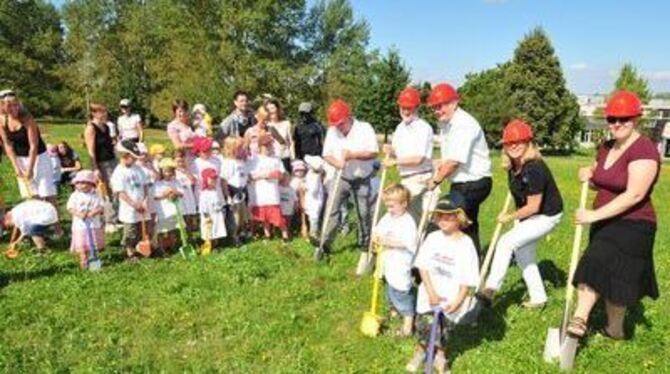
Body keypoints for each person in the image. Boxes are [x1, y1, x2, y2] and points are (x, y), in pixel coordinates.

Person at [567, 91, 661, 340]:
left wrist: (593, 215)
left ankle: (592, 322)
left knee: (602, 269)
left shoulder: (645, 149)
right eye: (612, 119)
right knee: (608, 275)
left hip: (635, 223)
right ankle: (600, 325)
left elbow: (634, 194)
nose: (617, 124)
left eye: (624, 119)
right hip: (604, 220)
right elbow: (604, 181)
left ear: (636, 119)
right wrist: (588, 174)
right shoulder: (606, 147)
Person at [476, 120, 563, 309]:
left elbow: (533, 207)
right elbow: (520, 194)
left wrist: (509, 217)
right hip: (530, 216)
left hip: (546, 216)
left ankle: (490, 289)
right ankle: (539, 298)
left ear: (528, 143)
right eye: (509, 143)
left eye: (519, 141)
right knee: (524, 254)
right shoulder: (514, 167)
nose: (514, 146)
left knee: (505, 243)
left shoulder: (534, 168)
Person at [406, 192, 479, 373]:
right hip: (429, 295)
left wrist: (459, 300)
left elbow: (467, 279)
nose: (443, 220)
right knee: (424, 327)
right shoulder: (432, 238)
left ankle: (440, 356)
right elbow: (423, 267)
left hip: (450, 298)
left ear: (460, 218)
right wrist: (431, 293)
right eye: (440, 216)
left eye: (449, 216)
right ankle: (421, 351)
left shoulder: (467, 244)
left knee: (445, 331)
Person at [427, 82, 492, 253]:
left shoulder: (463, 124)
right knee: (468, 224)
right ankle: (473, 267)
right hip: (462, 181)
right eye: (434, 107)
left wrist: (434, 181)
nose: (437, 110)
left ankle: (422, 271)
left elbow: (454, 162)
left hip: (475, 182)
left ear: (454, 103)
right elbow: (450, 158)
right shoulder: (448, 124)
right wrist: (439, 163)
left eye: (440, 106)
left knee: (443, 217)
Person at [319, 99, 379, 267]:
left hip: (362, 178)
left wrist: (353, 155)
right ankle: (324, 245)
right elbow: (326, 154)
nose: (338, 127)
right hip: (342, 176)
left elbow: (374, 152)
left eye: (341, 123)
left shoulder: (365, 128)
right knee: (332, 209)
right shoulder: (332, 131)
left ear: (349, 116)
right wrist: (336, 163)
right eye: (335, 124)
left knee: (364, 213)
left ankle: (365, 247)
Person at [371, 184, 417, 337]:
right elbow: (378, 230)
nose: (389, 209)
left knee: (401, 291)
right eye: (387, 206)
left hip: (400, 263)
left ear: (404, 204)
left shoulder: (407, 222)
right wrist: (376, 237)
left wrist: (388, 242)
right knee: (390, 288)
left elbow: (408, 242)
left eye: (392, 206)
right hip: (387, 261)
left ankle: (408, 325)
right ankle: (394, 313)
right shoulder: (387, 217)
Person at [383, 87, 434, 222]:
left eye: (409, 108)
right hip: (406, 179)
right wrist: (391, 151)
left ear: (417, 108)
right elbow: (399, 154)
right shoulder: (400, 128)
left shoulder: (423, 128)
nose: (405, 111)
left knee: (404, 214)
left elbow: (418, 158)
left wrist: (394, 162)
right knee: (409, 219)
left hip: (421, 179)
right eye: (403, 108)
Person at [0, 90, 58, 201]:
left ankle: (54, 217)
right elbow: (7, 145)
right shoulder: (2, 121)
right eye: (9, 106)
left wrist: (30, 168)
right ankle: (37, 217)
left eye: (15, 105)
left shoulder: (27, 118)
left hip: (38, 157)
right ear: (2, 107)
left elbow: (34, 145)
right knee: (31, 194)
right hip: (20, 158)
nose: (14, 109)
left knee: (46, 192)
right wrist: (16, 167)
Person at [110, 140, 151, 261]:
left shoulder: (138, 169)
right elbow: (120, 192)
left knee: (141, 228)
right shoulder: (118, 173)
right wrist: (133, 204)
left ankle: (140, 249)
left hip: (142, 205)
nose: (135, 160)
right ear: (124, 156)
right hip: (129, 208)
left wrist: (145, 200)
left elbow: (145, 185)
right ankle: (130, 253)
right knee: (130, 230)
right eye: (133, 157)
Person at [247, 138, 288, 241]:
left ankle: (285, 236)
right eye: (266, 146)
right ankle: (267, 234)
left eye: (270, 145)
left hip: (273, 192)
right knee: (264, 216)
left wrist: (278, 175)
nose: (268, 148)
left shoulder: (276, 159)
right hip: (260, 192)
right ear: (260, 147)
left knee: (277, 216)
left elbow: (283, 175)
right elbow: (250, 176)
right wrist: (266, 175)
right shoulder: (254, 159)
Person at [84, 103, 118, 226]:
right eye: (101, 112)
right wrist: (95, 168)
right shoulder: (91, 128)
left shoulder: (106, 127)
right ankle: (109, 220)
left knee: (116, 189)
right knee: (106, 191)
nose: (105, 114)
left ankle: (115, 215)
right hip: (101, 163)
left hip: (112, 160)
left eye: (105, 111)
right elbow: (90, 150)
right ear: (94, 113)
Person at [66, 170, 105, 269]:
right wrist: (79, 214)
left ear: (91, 184)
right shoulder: (75, 195)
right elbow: (70, 208)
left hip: (93, 224)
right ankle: (83, 258)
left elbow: (101, 206)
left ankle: (93, 257)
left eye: (84, 183)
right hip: (80, 225)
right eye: (78, 183)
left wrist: (94, 212)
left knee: (92, 243)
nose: (81, 185)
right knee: (82, 244)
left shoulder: (96, 194)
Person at [219, 137, 249, 244]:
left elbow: (245, 176)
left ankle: (241, 233)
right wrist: (228, 195)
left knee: (243, 215)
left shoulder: (241, 161)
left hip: (243, 191)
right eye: (240, 148)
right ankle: (233, 236)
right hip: (233, 191)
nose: (242, 150)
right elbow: (224, 180)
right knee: (235, 216)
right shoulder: (228, 163)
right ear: (232, 149)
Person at [154, 158, 183, 255]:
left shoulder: (176, 182)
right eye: (166, 171)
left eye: (170, 171)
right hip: (163, 211)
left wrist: (174, 191)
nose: (168, 173)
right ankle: (161, 248)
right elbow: (156, 197)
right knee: (162, 230)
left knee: (173, 230)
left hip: (175, 210)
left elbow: (181, 193)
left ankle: (173, 246)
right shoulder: (158, 184)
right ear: (161, 172)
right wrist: (165, 194)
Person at [198, 168, 228, 247]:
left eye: (215, 179)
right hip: (209, 215)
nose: (214, 180)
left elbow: (220, 202)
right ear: (206, 180)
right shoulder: (204, 193)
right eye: (211, 179)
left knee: (217, 229)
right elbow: (203, 207)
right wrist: (207, 217)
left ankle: (217, 244)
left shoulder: (216, 190)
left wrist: (223, 211)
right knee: (209, 231)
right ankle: (209, 245)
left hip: (217, 213)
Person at [266, 98, 294, 172]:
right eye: (268, 109)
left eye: (272, 108)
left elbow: (291, 143)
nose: (271, 111)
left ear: (277, 109)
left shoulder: (286, 124)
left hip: (285, 157)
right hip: (272, 159)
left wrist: (293, 159)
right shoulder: (266, 125)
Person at [174, 150, 199, 232]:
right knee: (181, 221)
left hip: (189, 199)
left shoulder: (188, 172)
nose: (180, 164)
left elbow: (193, 181)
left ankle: (191, 237)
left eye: (182, 161)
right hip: (180, 201)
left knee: (190, 220)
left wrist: (186, 171)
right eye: (178, 161)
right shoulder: (174, 173)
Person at [303, 155, 325, 241]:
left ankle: (314, 234)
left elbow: (313, 190)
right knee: (312, 216)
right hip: (312, 199)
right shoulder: (311, 174)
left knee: (314, 217)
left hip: (314, 199)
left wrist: (305, 186)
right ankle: (314, 232)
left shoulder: (315, 176)